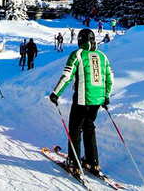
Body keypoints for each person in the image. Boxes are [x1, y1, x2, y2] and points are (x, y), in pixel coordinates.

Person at [48, 29, 113, 177]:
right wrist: (106, 96)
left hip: (82, 99)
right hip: (97, 100)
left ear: (79, 40)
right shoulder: (102, 56)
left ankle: (74, 162)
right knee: (89, 128)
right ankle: (93, 162)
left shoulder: (77, 54)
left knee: (75, 129)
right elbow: (110, 78)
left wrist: (56, 93)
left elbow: (67, 76)